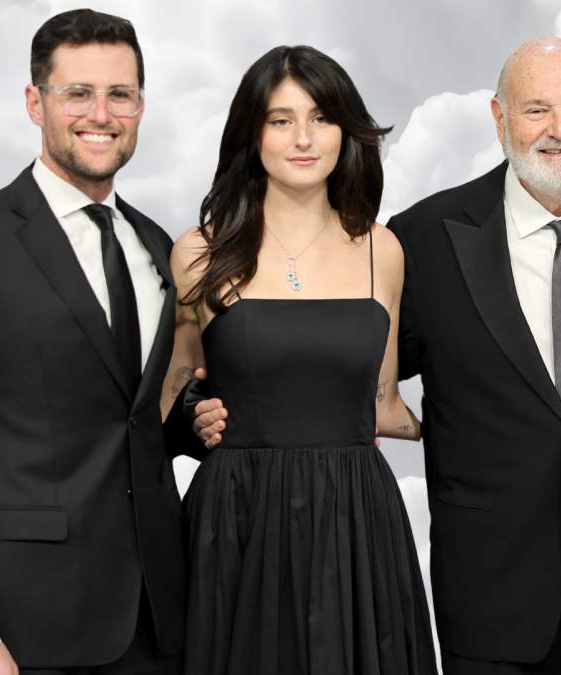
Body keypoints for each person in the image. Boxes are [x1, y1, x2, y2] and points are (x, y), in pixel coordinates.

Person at [194, 37, 561, 674]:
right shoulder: (424, 238)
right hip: (488, 595)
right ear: (498, 118)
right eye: (536, 109)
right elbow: (340, 361)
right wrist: (217, 407)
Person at [0, 9, 191, 675]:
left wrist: (196, 418)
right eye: (77, 93)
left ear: (141, 106)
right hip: (25, 627)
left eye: (120, 94)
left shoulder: (154, 243)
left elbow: (129, 413)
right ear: (35, 103)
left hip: (158, 622)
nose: (102, 114)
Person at [161, 45, 436, 675]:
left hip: (357, 519)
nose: (304, 139)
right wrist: (194, 417)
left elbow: (385, 406)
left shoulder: (384, 250)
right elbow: (171, 393)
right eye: (281, 120)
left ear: (346, 131)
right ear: (251, 134)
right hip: (238, 516)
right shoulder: (197, 253)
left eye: (321, 118)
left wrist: (486, 430)